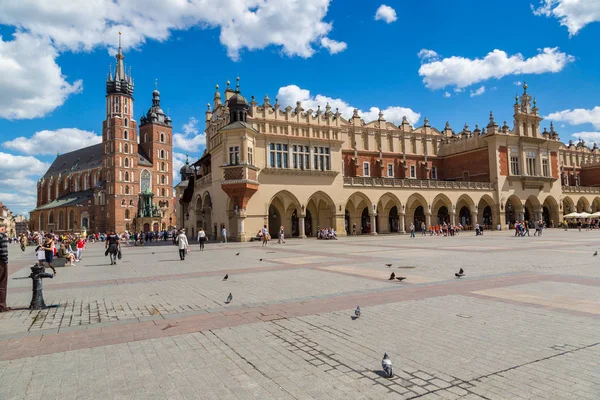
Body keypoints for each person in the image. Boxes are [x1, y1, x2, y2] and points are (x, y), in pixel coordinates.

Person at [0, 223, 10, 312]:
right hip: (1, 262)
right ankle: (2, 305)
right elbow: (4, 251)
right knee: (2, 284)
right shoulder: (3, 236)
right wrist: (5, 261)